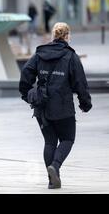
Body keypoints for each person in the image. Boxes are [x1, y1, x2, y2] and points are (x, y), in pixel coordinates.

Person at [19, 22, 92, 189]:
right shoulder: (71, 56)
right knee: (67, 139)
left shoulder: (39, 54)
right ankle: (55, 166)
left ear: (53, 35)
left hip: (42, 107)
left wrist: (27, 94)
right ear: (67, 36)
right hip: (63, 107)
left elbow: (25, 74)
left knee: (50, 142)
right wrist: (85, 104)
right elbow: (80, 83)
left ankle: (52, 180)